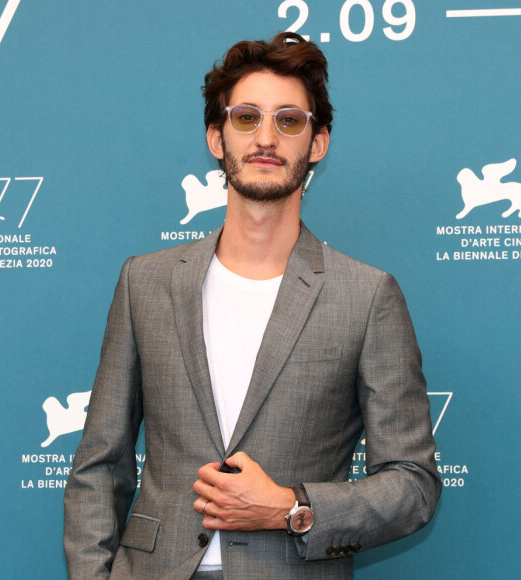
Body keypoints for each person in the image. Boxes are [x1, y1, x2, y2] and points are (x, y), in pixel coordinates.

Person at [64, 32, 441, 580]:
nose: (266, 137)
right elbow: (99, 465)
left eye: (289, 120)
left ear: (318, 143)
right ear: (216, 137)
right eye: (246, 117)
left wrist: (291, 508)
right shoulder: (145, 282)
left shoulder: (367, 296)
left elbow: (413, 483)